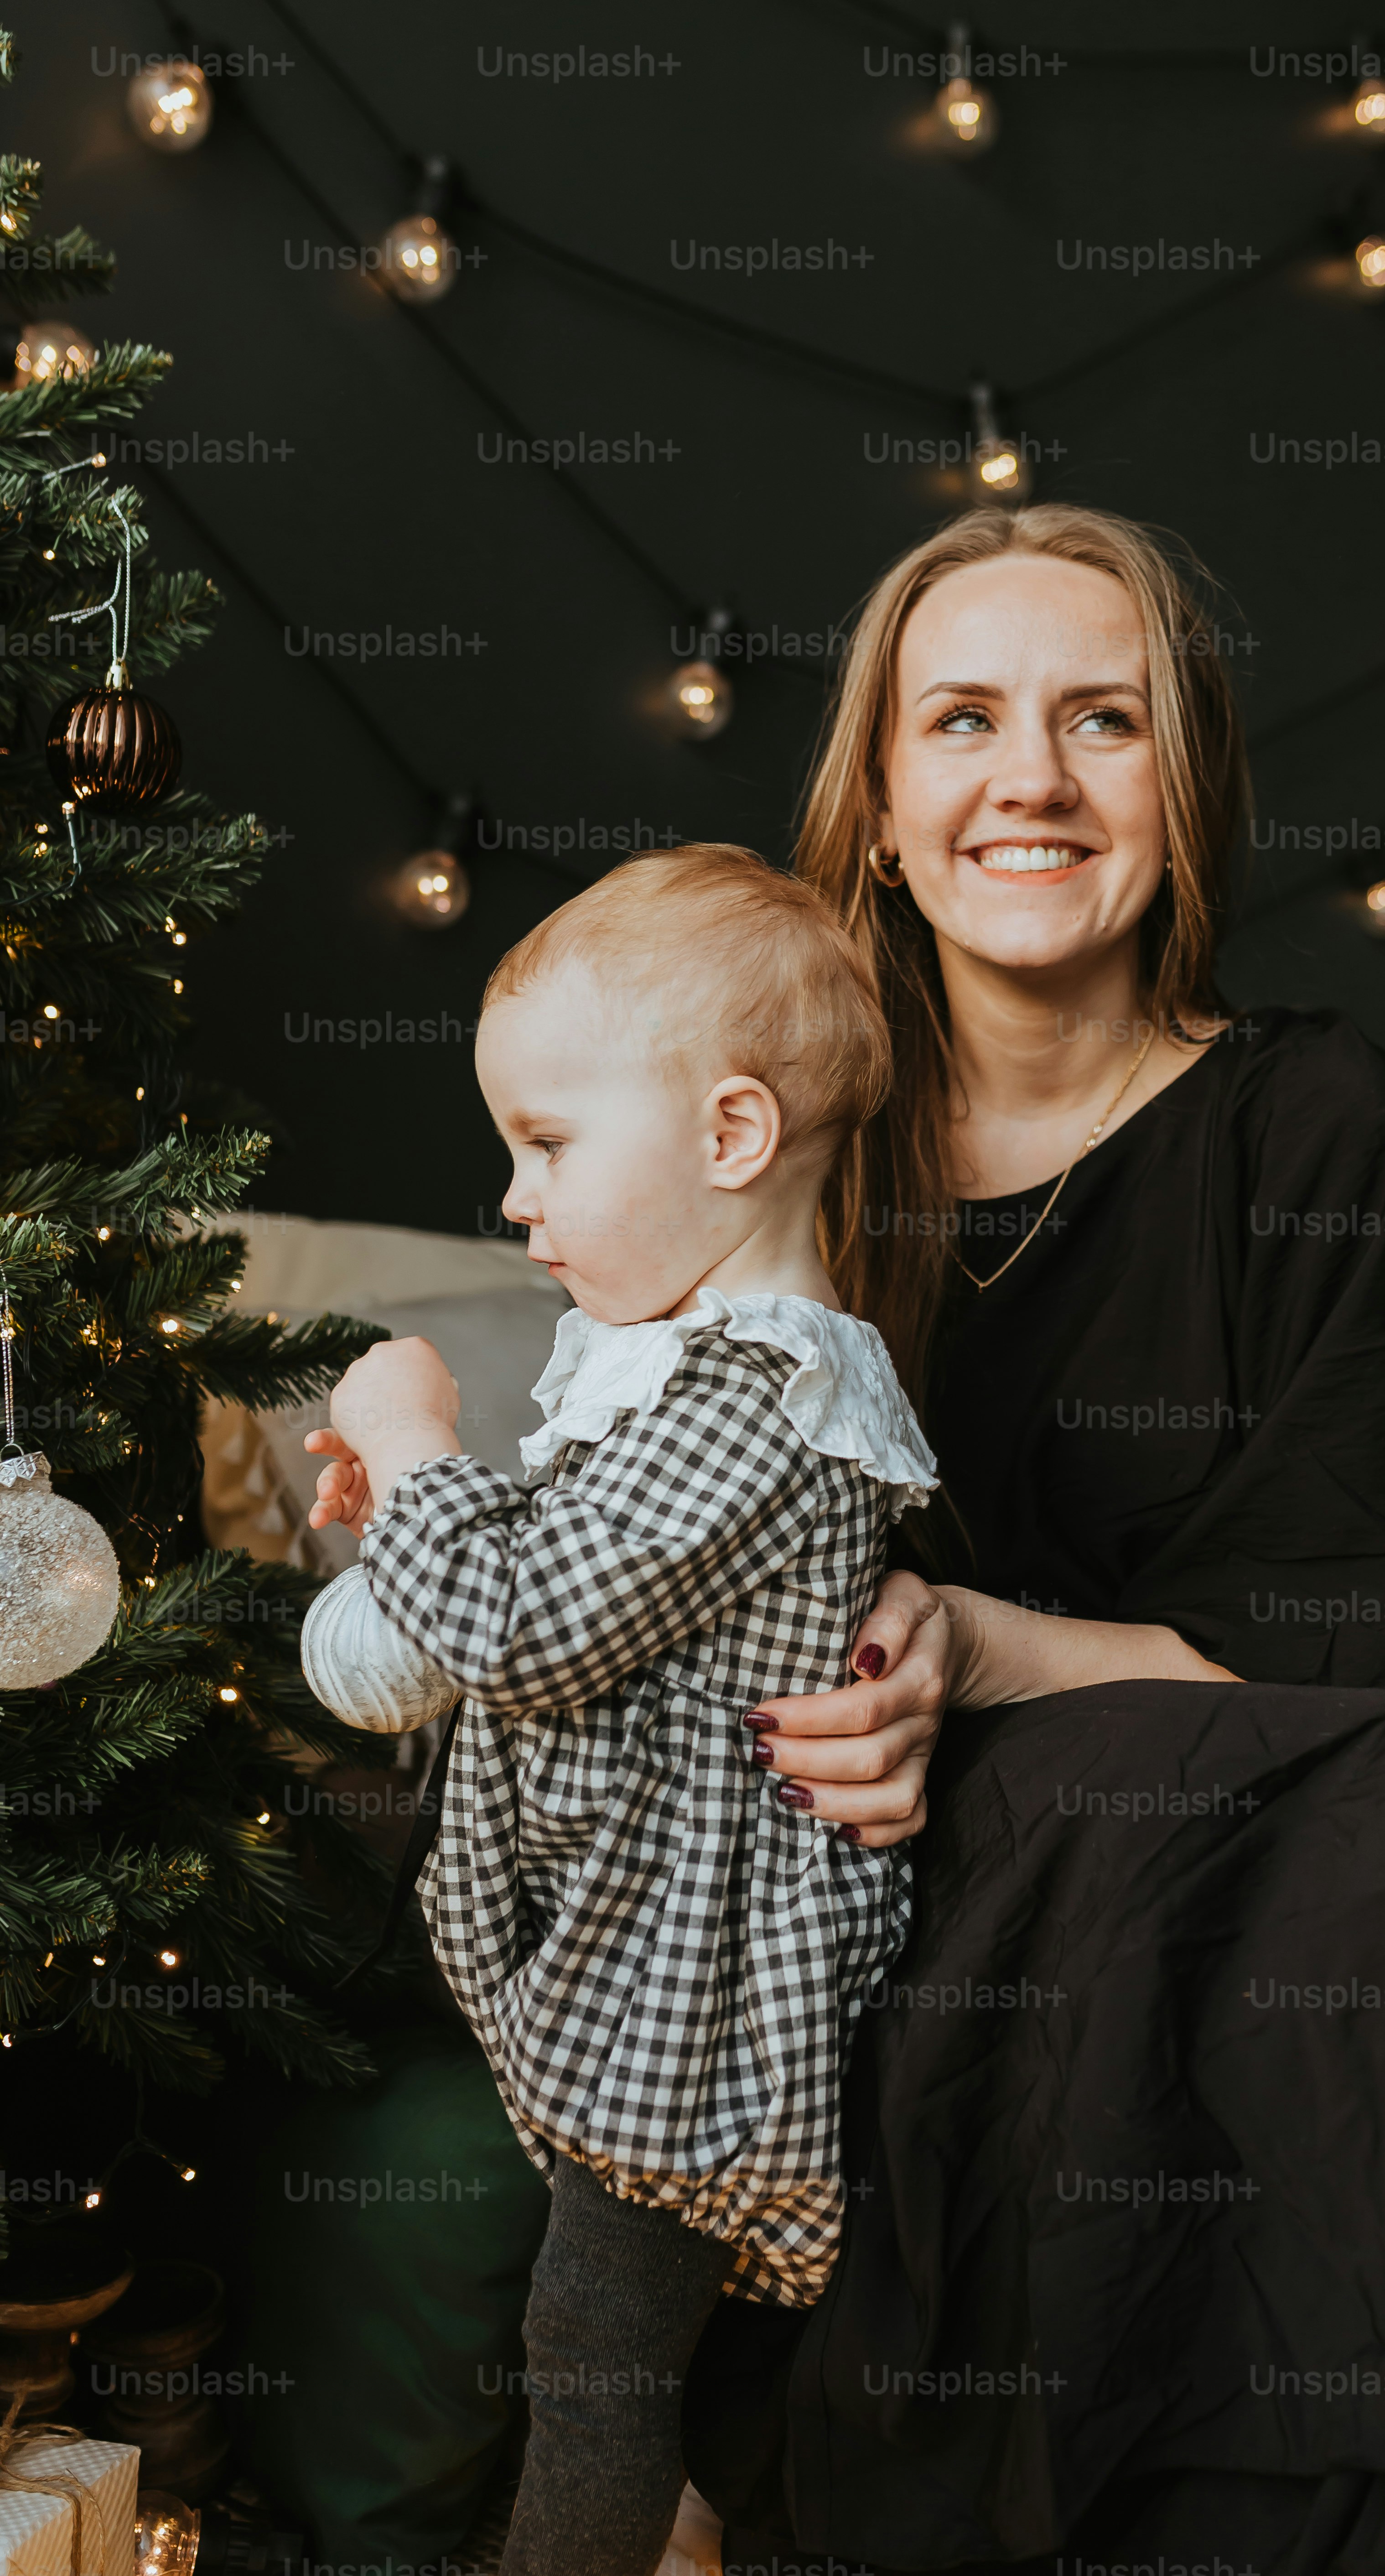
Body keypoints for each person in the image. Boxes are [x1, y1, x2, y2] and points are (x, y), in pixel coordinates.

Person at [680, 505, 1385, 2576]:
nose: (1034, 778)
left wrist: (993, 1649)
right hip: (855, 1847)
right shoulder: (759, 1144)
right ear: (886, 810)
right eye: (967, 723)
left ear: (1185, 797)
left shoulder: (1334, 1127)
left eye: (1106, 719)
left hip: (1258, 1814)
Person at [294, 845, 939, 2576]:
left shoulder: (764, 1394)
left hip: (691, 1987)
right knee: (631, 2352)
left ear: (732, 1139)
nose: (512, 1197)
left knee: (588, 2360)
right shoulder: (673, 1372)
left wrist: (427, 1440)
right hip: (620, 1943)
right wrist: (409, 1525)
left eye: (548, 1144)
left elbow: (529, 1625)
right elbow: (503, 1603)